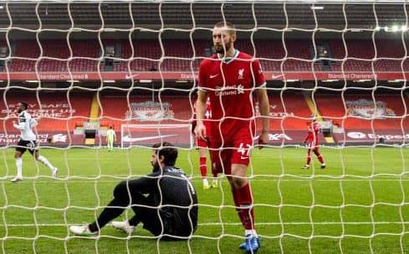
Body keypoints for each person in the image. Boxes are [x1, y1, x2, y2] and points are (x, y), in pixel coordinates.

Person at [194, 21, 270, 253]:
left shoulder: (249, 62)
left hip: (242, 128)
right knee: (230, 181)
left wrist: (265, 129)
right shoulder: (206, 66)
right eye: (214, 36)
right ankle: (248, 232)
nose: (217, 40)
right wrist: (199, 123)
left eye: (221, 36)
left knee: (238, 177)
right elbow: (201, 99)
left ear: (233, 37)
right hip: (218, 132)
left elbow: (262, 97)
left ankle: (252, 232)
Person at [69, 142, 198, 240]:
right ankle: (129, 224)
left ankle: (92, 229)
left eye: (153, 156)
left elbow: (122, 187)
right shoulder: (180, 172)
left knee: (127, 193)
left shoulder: (160, 176)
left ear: (161, 158)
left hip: (171, 231)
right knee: (155, 194)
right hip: (188, 231)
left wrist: (122, 198)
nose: (151, 160)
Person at [11, 101, 58, 183]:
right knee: (17, 156)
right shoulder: (27, 115)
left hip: (29, 139)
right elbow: (34, 123)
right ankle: (19, 176)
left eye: (18, 106)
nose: (17, 107)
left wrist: (14, 125)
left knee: (37, 157)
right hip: (23, 139)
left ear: (23, 107)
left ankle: (53, 169)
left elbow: (22, 127)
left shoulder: (22, 115)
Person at [192, 97, 219, 190]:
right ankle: (215, 181)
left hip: (201, 133)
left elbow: (195, 119)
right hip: (214, 133)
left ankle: (205, 182)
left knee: (202, 158)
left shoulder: (199, 101)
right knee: (214, 158)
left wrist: (193, 130)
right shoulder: (216, 100)